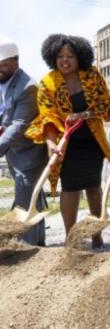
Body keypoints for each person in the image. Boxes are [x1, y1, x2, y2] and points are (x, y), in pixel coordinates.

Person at [26, 34, 110, 248]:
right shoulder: (47, 83)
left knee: (94, 187)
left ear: (80, 57)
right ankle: (71, 238)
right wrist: (50, 144)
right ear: (52, 58)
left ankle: (97, 235)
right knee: (70, 189)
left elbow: (107, 106)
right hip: (66, 145)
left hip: (92, 142)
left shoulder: (92, 75)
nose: (65, 60)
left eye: (70, 56)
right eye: (60, 56)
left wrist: (84, 115)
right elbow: (47, 117)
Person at [0, 37, 48, 246]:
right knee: (31, 199)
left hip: (29, 154)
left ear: (15, 62)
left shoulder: (28, 87)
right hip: (14, 153)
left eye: (3, 65)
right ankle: (38, 245)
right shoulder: (3, 83)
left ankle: (28, 249)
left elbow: (19, 125)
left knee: (25, 199)